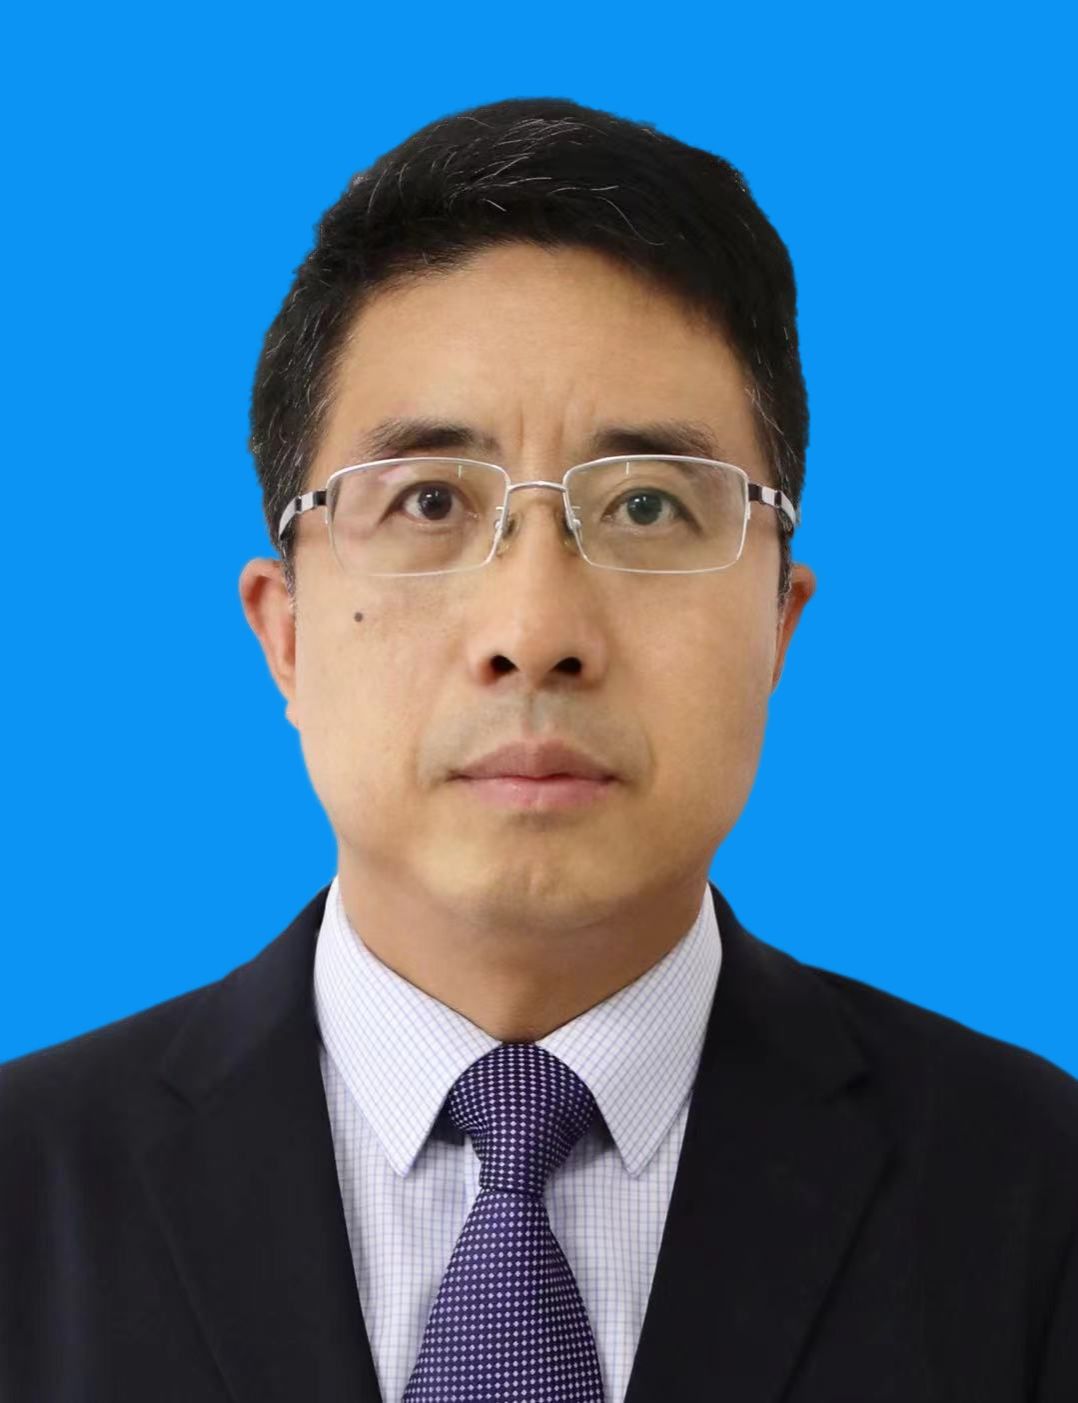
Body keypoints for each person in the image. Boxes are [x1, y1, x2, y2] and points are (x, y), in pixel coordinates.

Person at [1, 95, 1075, 1403]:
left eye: (647, 506)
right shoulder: (26, 1187)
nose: (533, 633)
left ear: (777, 625)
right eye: (429, 500)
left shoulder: (1033, 1197)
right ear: (283, 633)